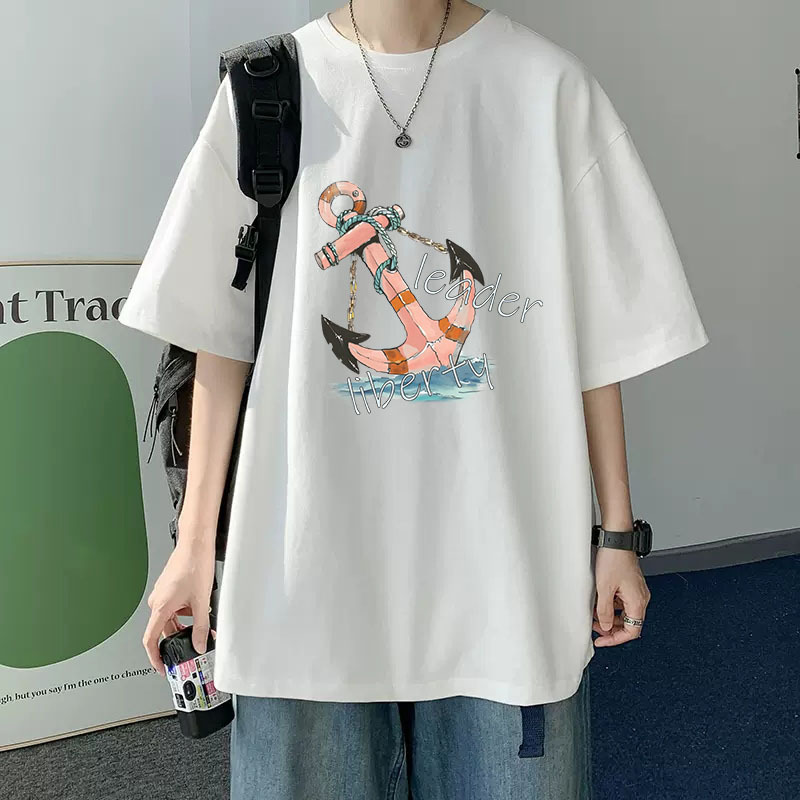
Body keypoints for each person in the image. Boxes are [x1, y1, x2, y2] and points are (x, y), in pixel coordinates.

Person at [118, 1, 709, 797]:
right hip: (307, 570)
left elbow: (598, 341)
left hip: (502, 573)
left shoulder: (548, 89)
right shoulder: (265, 92)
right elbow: (219, 341)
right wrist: (194, 547)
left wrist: (617, 535)